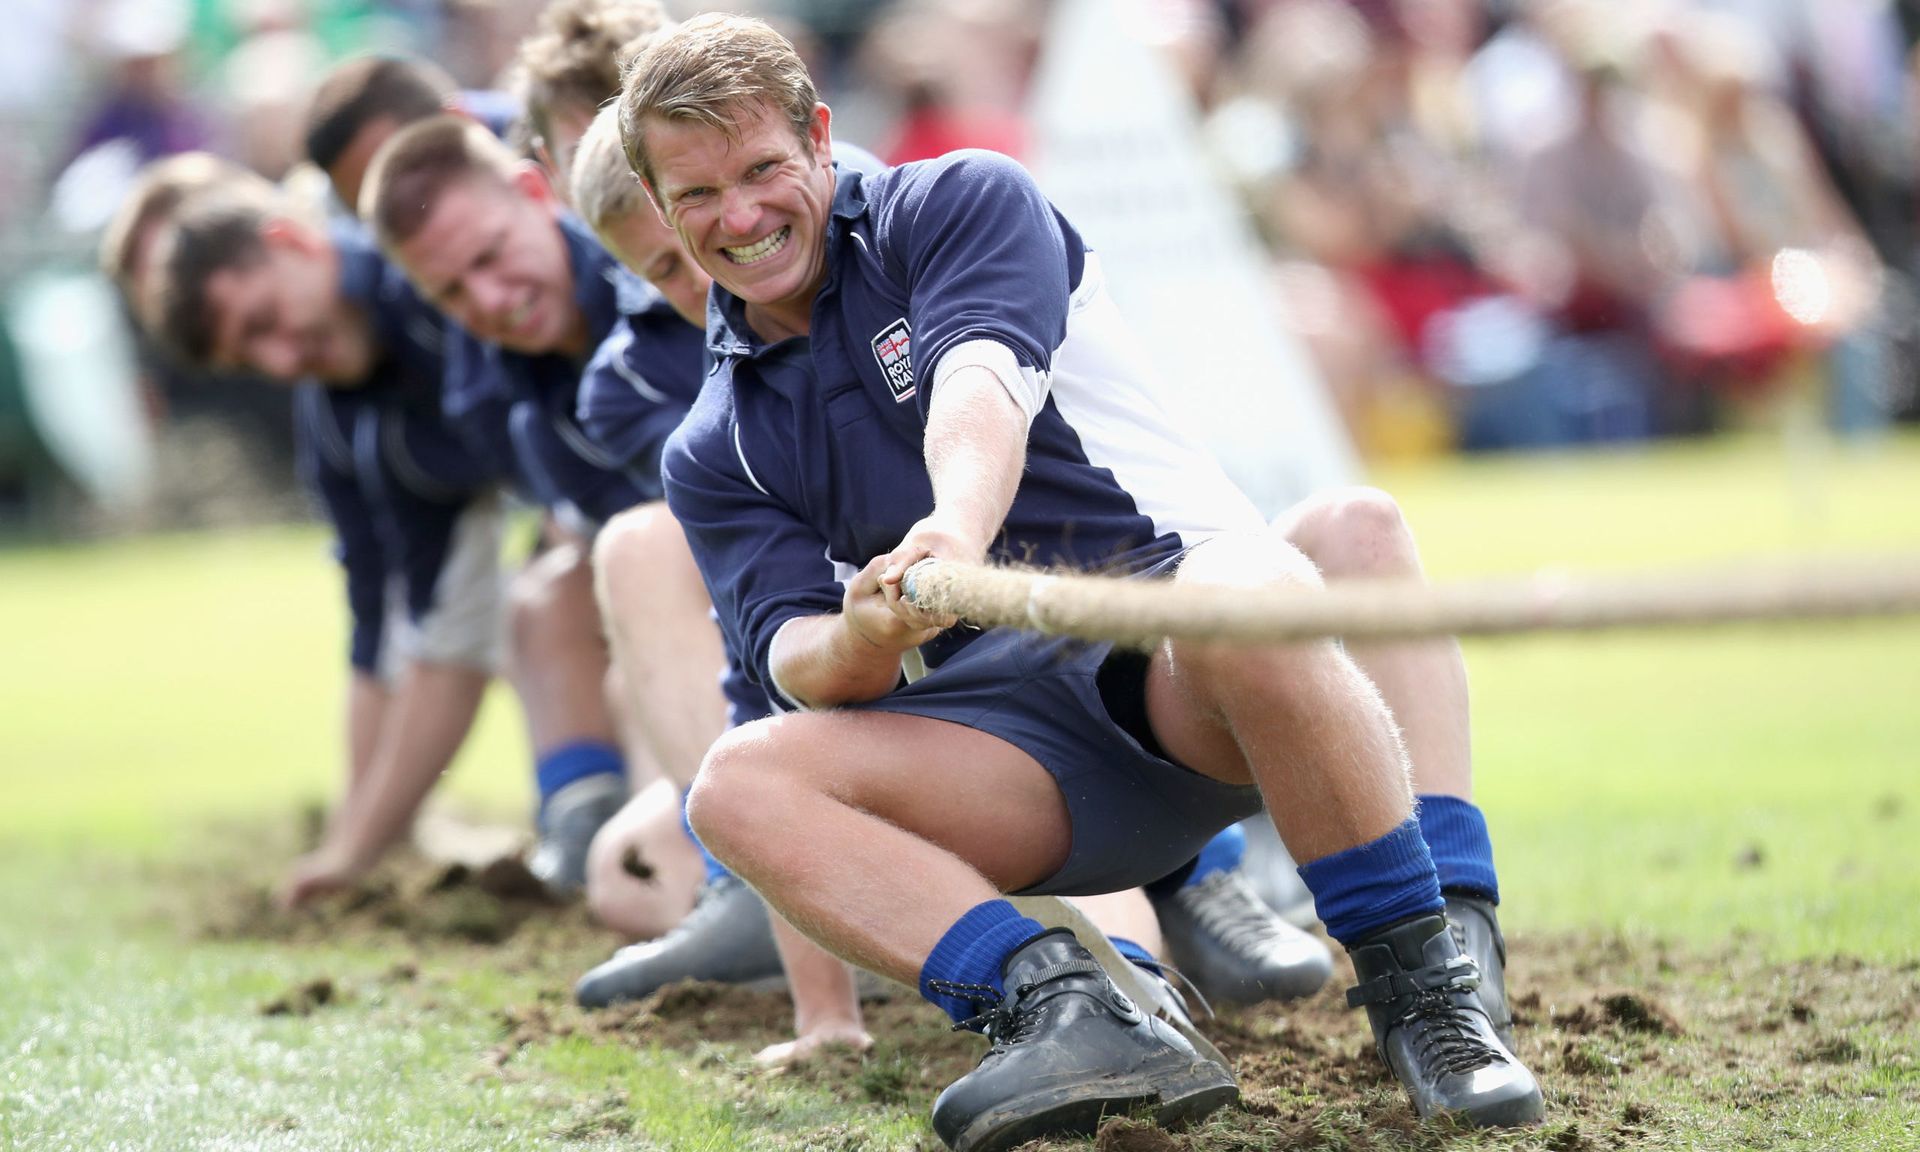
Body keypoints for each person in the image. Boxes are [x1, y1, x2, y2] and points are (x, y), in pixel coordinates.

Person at [619, 14, 1544, 1148]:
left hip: (1187, 665)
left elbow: (981, 381)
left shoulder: (957, 201)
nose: (741, 217)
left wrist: (952, 530)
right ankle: (1074, 1014)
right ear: (660, 210)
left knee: (1270, 580)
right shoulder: (713, 444)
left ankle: (1431, 994)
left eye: (762, 168)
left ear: (820, 138)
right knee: (736, 788)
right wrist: (857, 640)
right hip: (1013, 764)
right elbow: (787, 660)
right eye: (698, 195)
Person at [298, 53, 652, 908]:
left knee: (643, 565)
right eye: (450, 288)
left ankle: (672, 837)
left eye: (490, 256)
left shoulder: (642, 252)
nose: (486, 296)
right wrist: (352, 844)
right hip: (679, 590)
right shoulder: (485, 387)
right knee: (551, 593)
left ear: (534, 183)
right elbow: (404, 623)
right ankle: (589, 825)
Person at [141, 171, 514, 904]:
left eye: (264, 321)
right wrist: (354, 842)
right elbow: (410, 633)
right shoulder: (347, 424)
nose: (282, 363)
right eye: (252, 358)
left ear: (291, 242)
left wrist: (353, 845)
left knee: (565, 587)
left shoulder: (441, 277)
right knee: (536, 607)